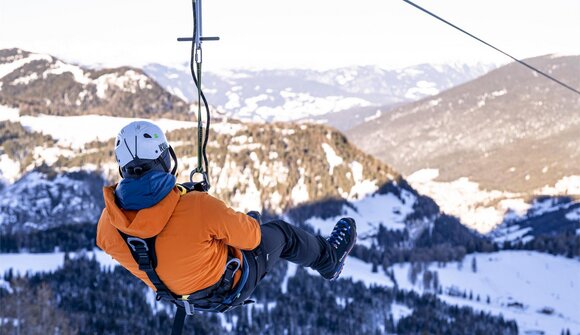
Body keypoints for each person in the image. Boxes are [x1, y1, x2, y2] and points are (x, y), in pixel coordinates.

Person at [96, 120, 357, 313]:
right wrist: (248, 221)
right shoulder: (198, 208)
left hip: (181, 293)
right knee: (281, 233)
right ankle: (330, 262)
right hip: (229, 285)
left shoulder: (107, 227)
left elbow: (155, 221)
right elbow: (252, 238)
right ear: (165, 159)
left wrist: (182, 194)